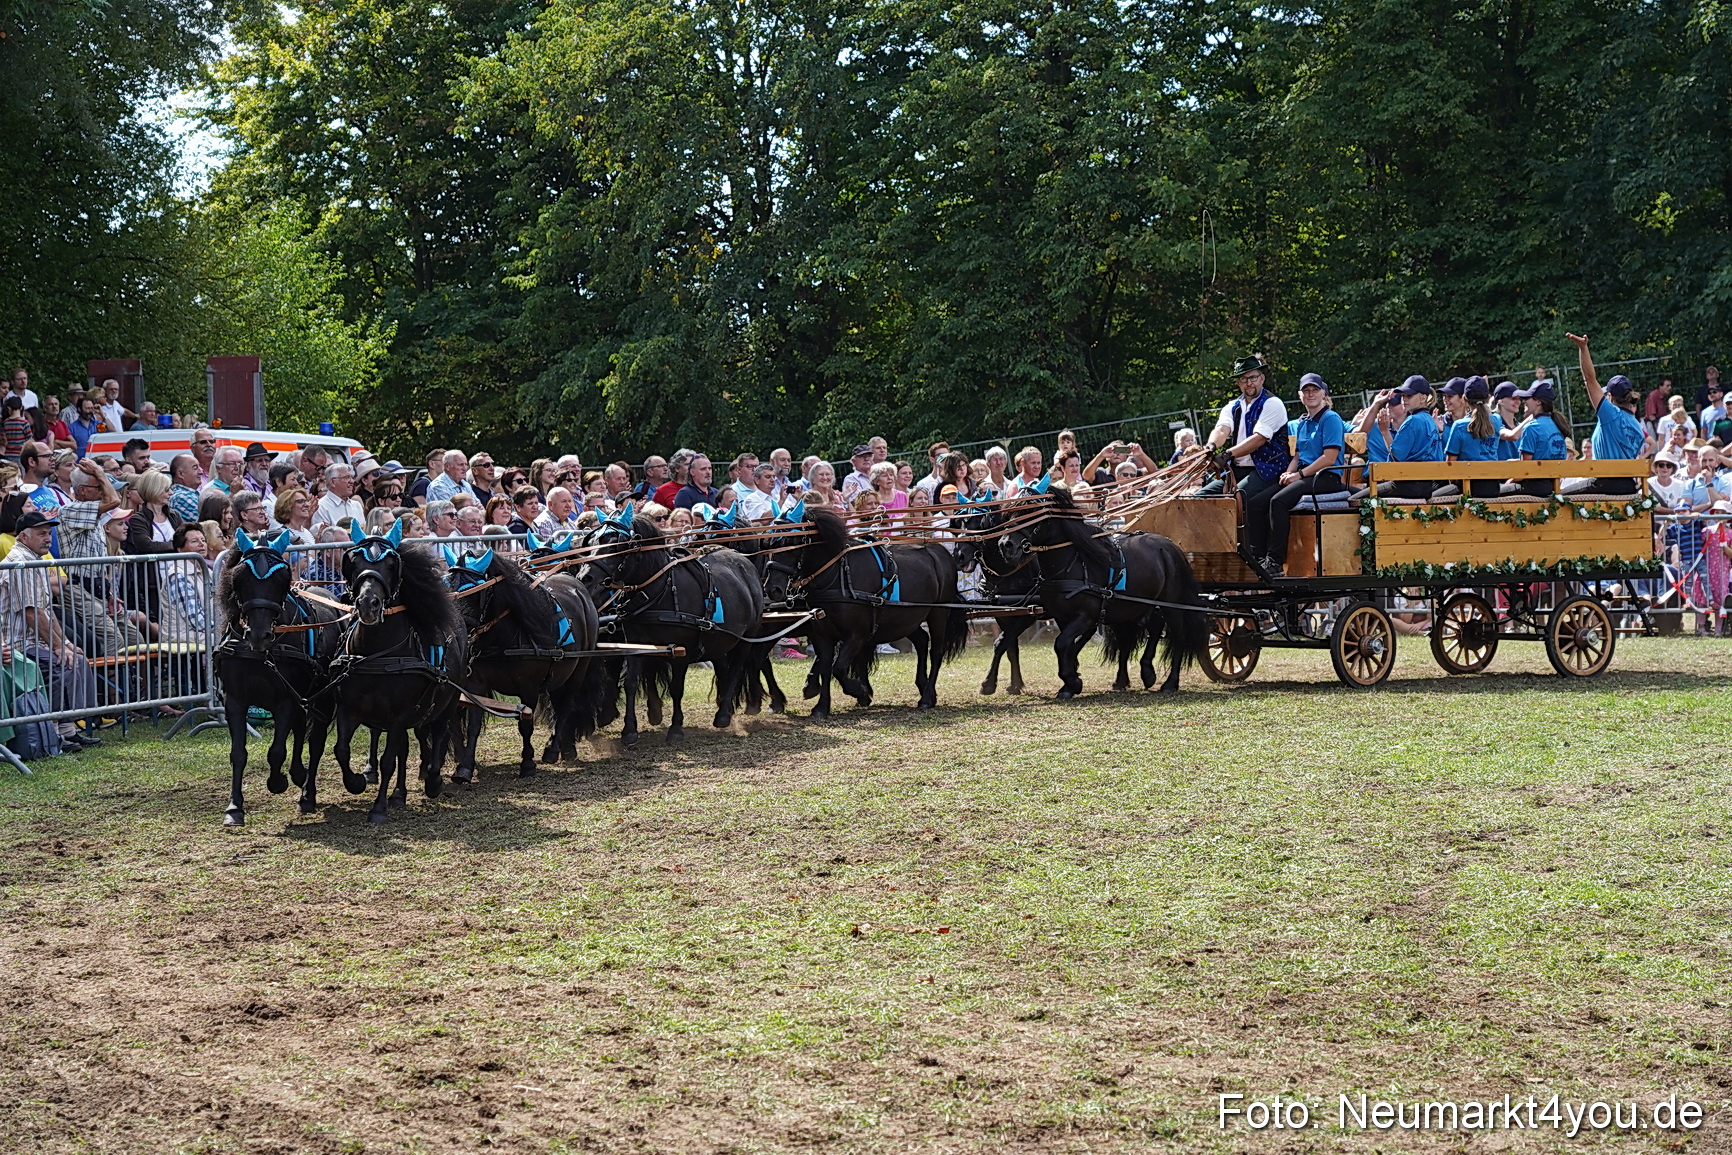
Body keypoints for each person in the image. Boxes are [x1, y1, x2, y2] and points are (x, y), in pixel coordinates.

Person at [0, 510, 99, 748]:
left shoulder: (38, 560)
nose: (48, 539)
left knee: (75, 658)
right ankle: (52, 731)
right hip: (16, 644)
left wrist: (63, 643)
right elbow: (31, 612)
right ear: (24, 536)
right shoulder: (18, 563)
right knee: (59, 665)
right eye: (42, 534)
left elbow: (47, 609)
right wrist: (57, 648)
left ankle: (67, 728)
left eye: (49, 533)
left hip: (34, 641)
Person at [1242, 373, 1347, 577]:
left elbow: (1329, 458)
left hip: (1326, 477)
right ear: (1300, 396)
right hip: (1306, 475)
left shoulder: (1331, 418)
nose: (1310, 395)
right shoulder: (1304, 422)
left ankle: (1275, 561)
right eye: (1306, 391)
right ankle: (1258, 557)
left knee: (1278, 501)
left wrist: (1298, 475)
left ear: (1323, 393)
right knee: (1255, 503)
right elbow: (1297, 456)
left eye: (1314, 390)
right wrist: (1288, 473)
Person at [1563, 333, 1646, 496]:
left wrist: (1583, 348)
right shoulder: (1638, 427)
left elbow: (1589, 379)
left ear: (1609, 397)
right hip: (1628, 486)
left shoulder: (1610, 413)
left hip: (1606, 483)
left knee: (1558, 497)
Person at [1203, 355, 1289, 499]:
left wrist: (1227, 454)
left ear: (1262, 378)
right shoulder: (1233, 407)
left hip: (1267, 470)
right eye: (1243, 379)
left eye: (1253, 378)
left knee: (1232, 499)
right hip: (1237, 470)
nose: (1249, 383)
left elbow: (1258, 439)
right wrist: (1211, 446)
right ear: (1238, 383)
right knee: (1199, 498)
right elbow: (1222, 430)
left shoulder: (1272, 403)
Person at [1351, 376, 1441, 498]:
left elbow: (1396, 457)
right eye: (1403, 396)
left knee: (1354, 499)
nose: (1404, 399)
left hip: (1408, 485)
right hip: (1427, 485)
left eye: (1409, 396)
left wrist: (1384, 431)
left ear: (1423, 398)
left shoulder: (1412, 421)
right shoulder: (1430, 420)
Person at [1432, 376, 1501, 499]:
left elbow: (1450, 464)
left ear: (1464, 398)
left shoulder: (1459, 425)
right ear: (1487, 398)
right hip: (1492, 487)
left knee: (1430, 499)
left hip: (1467, 487)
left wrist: (1453, 485)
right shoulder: (1497, 420)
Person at [1499, 379, 1569, 497]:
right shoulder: (1557, 425)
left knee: (1497, 492)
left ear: (1538, 402)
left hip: (1534, 487)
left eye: (1528, 398)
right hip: (1553, 485)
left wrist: (1508, 482)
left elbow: (1526, 470)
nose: (1524, 401)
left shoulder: (1531, 428)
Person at [312, 462, 366, 530]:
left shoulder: (357, 505)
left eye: (352, 477)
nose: (352, 481)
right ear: (333, 482)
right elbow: (323, 538)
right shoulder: (320, 507)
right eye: (347, 477)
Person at [167, 453, 202, 522]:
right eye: (195, 468)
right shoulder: (182, 497)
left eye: (199, 467)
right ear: (180, 474)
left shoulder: (186, 494)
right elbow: (210, 521)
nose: (201, 472)